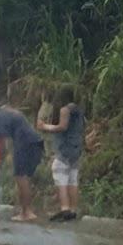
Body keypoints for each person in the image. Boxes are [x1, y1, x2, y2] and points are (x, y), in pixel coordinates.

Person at [0, 99, 45, 222]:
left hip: (25, 144)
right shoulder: (8, 112)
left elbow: (0, 143)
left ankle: (27, 212)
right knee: (23, 178)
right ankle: (26, 211)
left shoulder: (0, 118)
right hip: (33, 143)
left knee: (21, 177)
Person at [36, 87, 85, 221]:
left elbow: (62, 126)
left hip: (65, 149)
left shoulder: (65, 109)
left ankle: (65, 209)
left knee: (60, 176)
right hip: (76, 149)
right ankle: (73, 210)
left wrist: (44, 126)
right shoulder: (78, 110)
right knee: (73, 180)